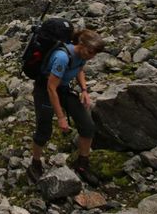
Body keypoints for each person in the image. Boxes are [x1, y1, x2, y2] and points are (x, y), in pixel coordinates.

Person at [27, 28, 105, 187]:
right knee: (44, 129)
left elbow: (79, 69)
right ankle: (34, 164)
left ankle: (82, 165)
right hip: (45, 89)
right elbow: (51, 88)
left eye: (94, 54)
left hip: (62, 88)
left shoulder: (82, 55)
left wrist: (84, 90)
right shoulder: (62, 57)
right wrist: (61, 117)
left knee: (88, 126)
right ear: (81, 45)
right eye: (90, 52)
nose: (92, 56)